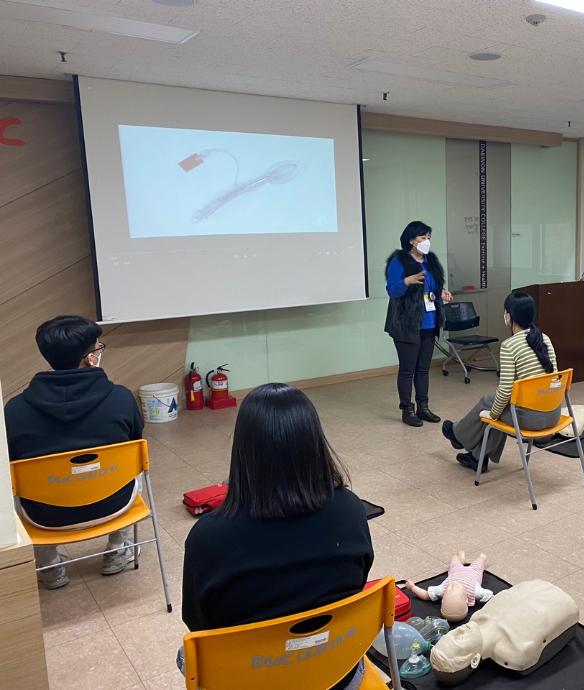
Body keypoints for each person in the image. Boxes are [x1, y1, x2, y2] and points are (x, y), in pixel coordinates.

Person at [181, 383, 373, 690]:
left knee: (186, 656)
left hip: (252, 681)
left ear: (243, 450)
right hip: (339, 673)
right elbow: (357, 582)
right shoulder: (350, 510)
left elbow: (200, 625)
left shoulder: (208, 537)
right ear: (314, 443)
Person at [4, 315, 144, 590]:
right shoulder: (121, 398)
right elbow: (136, 439)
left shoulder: (14, 410)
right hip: (114, 504)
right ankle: (117, 550)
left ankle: (49, 566)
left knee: (19, 481)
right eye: (98, 347)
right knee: (130, 463)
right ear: (90, 357)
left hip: (43, 515)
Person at [441, 292, 558, 473]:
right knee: (497, 405)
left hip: (531, 420)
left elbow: (505, 390)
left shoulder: (510, 346)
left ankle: (458, 435)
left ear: (508, 316)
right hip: (553, 414)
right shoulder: (545, 338)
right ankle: (477, 457)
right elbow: (554, 378)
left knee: (492, 404)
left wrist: (492, 414)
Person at [384, 220, 453, 427]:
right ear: (411, 240)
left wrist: (441, 292)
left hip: (429, 322)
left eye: (429, 237)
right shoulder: (398, 261)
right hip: (406, 323)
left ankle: (423, 407)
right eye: (423, 237)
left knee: (423, 369)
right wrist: (407, 281)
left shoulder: (430, 260)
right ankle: (407, 409)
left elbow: (433, 288)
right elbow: (392, 290)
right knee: (408, 369)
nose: (427, 241)